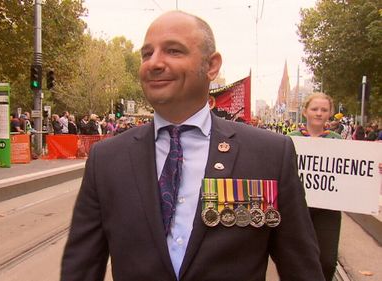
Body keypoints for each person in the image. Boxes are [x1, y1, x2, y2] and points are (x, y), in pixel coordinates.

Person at [61, 11, 323, 281]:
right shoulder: (106, 160)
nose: (154, 63)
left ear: (212, 66)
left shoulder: (269, 155)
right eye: (147, 54)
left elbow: (301, 268)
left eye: (173, 51)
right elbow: (79, 269)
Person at [287, 92, 342, 281]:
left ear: (330, 114)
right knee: (295, 258)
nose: (319, 113)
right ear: (305, 112)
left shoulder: (339, 141)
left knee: (327, 260)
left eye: (324, 110)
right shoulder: (290, 139)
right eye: (315, 109)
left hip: (328, 210)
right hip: (297, 209)